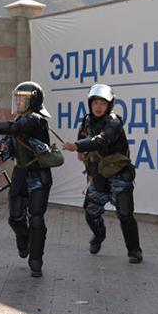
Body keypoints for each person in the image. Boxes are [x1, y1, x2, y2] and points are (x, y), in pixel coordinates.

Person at [62, 84, 142, 263]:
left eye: (103, 103)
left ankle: (134, 250)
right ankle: (99, 235)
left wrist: (77, 146)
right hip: (98, 175)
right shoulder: (87, 121)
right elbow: (83, 137)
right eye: (95, 103)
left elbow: (101, 140)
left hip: (120, 176)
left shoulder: (114, 122)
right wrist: (80, 150)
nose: (98, 107)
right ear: (90, 104)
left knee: (125, 214)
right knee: (91, 211)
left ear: (109, 106)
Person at [0, 82, 53, 277]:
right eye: (17, 97)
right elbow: (7, 145)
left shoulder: (36, 120)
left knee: (36, 218)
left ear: (34, 100)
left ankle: (36, 260)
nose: (18, 101)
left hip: (39, 175)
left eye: (23, 98)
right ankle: (24, 241)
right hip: (20, 174)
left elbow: (13, 128)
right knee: (15, 218)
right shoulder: (19, 119)